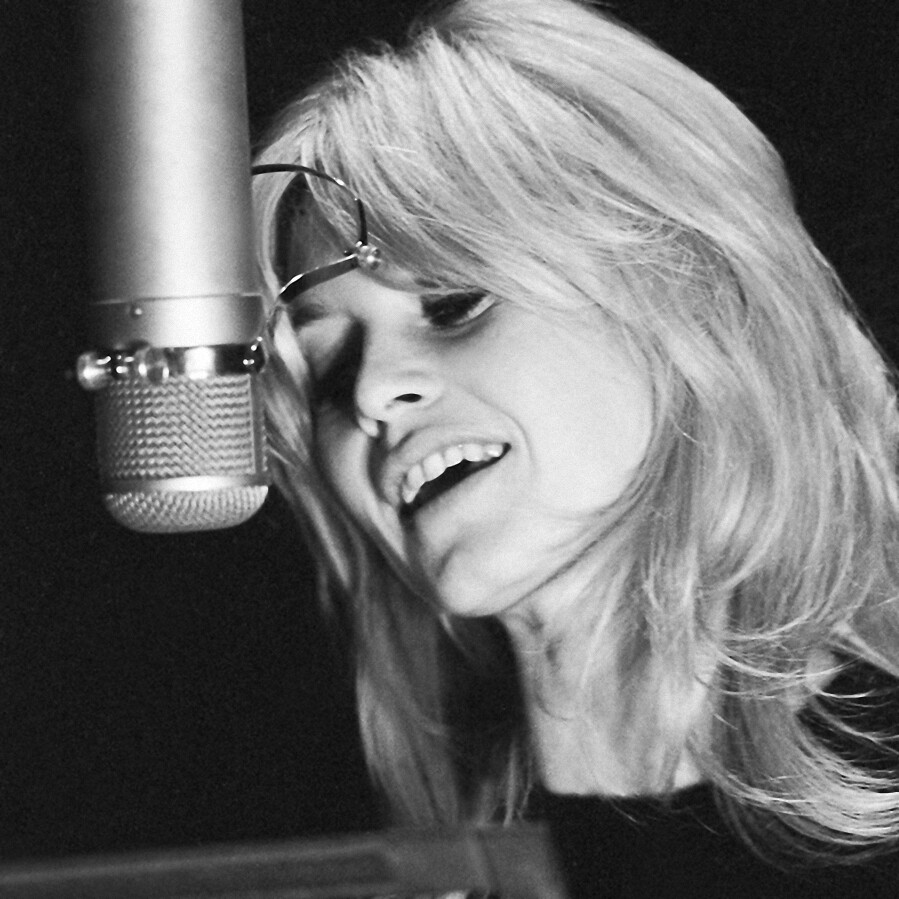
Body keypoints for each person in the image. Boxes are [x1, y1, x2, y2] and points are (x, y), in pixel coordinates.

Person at [251, 0, 899, 893]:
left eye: (452, 305)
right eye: (328, 371)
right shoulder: (357, 833)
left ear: (685, 295)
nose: (369, 392)